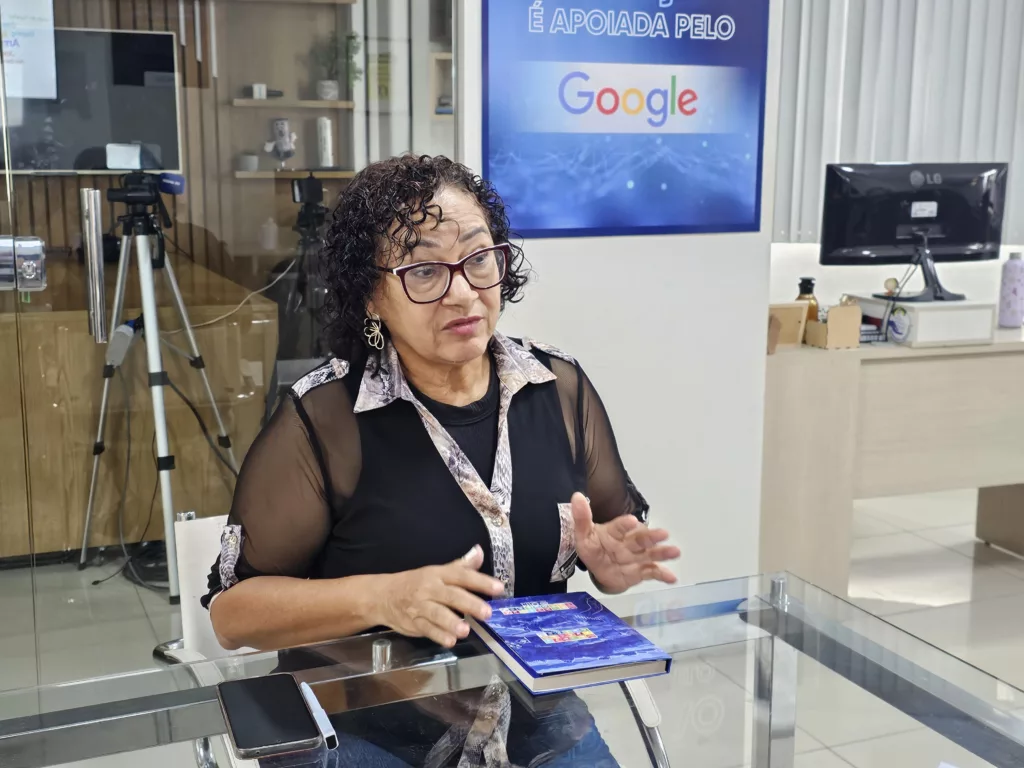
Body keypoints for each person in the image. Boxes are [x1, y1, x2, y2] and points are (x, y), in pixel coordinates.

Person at [203, 154, 680, 767]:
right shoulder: (326, 420)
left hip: (532, 721)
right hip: (363, 727)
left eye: (479, 260)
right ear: (372, 296)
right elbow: (234, 615)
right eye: (424, 270)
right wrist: (381, 598)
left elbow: (613, 538)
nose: (463, 293)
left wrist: (612, 564)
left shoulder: (556, 389)